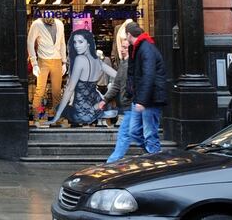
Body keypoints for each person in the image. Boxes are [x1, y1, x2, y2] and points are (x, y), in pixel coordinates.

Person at [51, 29, 117, 126]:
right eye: (74, 42)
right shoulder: (97, 61)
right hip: (95, 106)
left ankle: (95, 112)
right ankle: (98, 111)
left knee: (59, 108)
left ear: (88, 43)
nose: (76, 45)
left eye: (80, 42)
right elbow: (118, 76)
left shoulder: (79, 59)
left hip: (81, 113)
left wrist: (57, 116)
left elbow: (70, 89)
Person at [124, 21, 167, 154]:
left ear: (129, 34)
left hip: (150, 99)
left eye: (126, 36)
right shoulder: (137, 48)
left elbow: (148, 75)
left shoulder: (146, 48)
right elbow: (134, 73)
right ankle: (151, 153)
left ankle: (154, 158)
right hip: (142, 97)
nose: (125, 40)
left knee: (150, 133)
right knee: (134, 131)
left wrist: (142, 101)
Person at [98, 24, 133, 162]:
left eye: (125, 47)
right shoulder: (124, 64)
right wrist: (104, 100)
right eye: (122, 47)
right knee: (137, 135)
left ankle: (112, 162)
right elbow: (117, 85)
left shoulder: (135, 64)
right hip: (131, 106)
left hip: (135, 105)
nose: (122, 50)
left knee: (126, 134)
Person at [26, 18, 66, 128]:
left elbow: (62, 42)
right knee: (40, 90)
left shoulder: (59, 23)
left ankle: (57, 118)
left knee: (57, 92)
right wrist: (34, 63)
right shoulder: (37, 24)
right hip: (43, 60)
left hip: (57, 60)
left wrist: (64, 62)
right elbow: (30, 42)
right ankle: (37, 117)